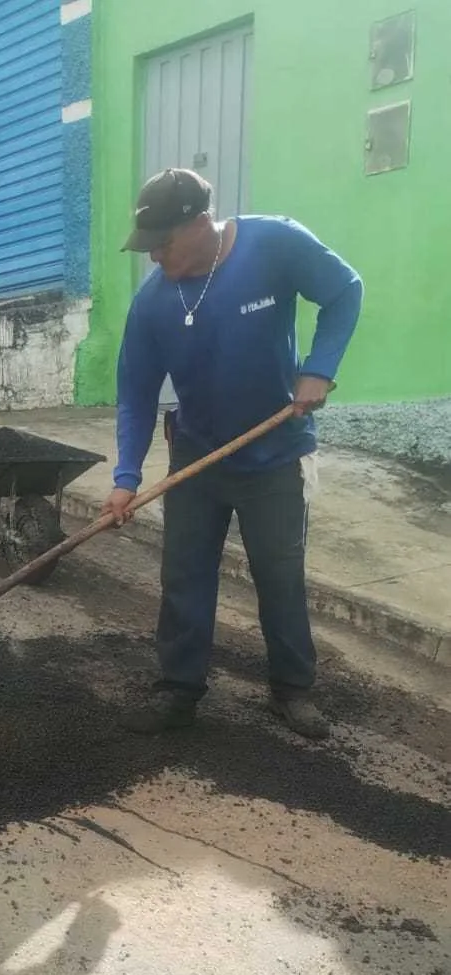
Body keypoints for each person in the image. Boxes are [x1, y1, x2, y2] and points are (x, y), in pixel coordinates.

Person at [103, 168, 363, 740]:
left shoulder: (274, 243)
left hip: (275, 454)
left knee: (280, 575)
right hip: (197, 456)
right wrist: (125, 476)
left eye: (162, 244)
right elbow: (135, 397)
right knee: (185, 575)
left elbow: (345, 290)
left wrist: (319, 368)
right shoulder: (151, 307)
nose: (154, 258)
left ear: (201, 224)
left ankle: (292, 689)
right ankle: (179, 688)